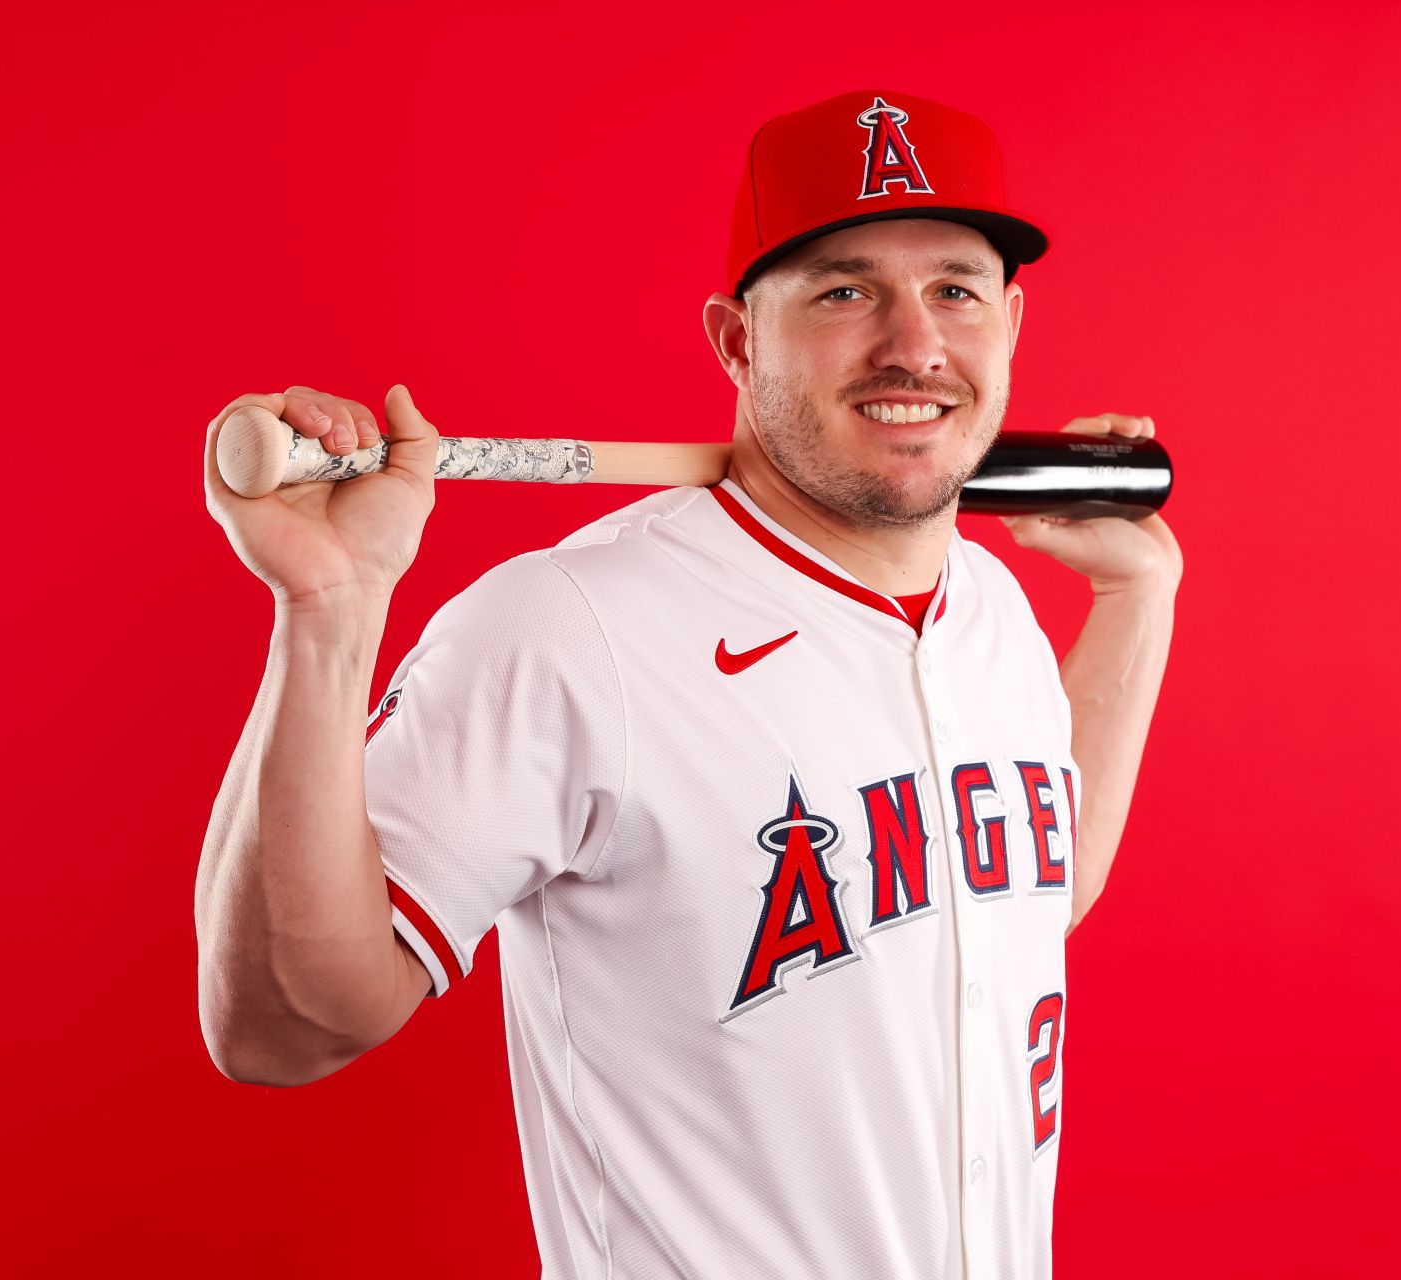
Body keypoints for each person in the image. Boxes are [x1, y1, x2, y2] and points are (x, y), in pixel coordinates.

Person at [197, 89, 1180, 1279]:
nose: (914, 344)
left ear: (1011, 326)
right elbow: (280, 1025)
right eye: (845, 289)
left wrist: (1136, 602)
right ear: (735, 340)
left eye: (956, 290)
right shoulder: (572, 627)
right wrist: (328, 612)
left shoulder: (995, 610)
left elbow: (1026, 895)